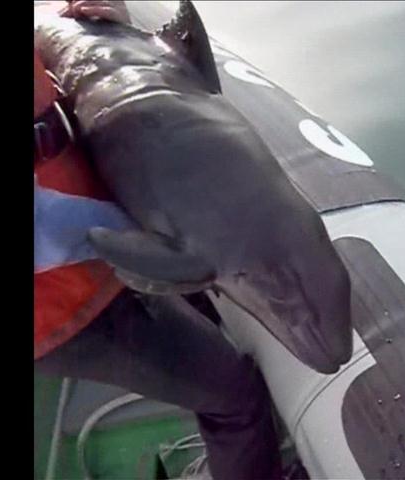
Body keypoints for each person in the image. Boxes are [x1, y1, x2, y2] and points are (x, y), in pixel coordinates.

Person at [34, 2, 281, 478]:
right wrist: (155, 248)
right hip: (62, 306)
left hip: (91, 241)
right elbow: (52, 233)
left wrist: (98, 17)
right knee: (235, 395)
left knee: (203, 306)